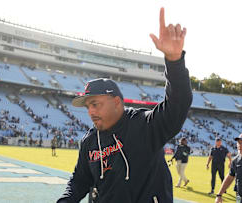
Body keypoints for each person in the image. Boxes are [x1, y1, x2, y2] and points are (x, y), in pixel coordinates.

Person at [57, 7, 192, 203]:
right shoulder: (90, 141)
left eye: (96, 104)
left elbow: (178, 103)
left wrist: (174, 61)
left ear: (117, 102)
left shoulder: (145, 126)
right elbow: (79, 181)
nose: (91, 111)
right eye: (88, 106)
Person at [215, 133, 242, 203]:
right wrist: (219, 195)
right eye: (238, 143)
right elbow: (230, 176)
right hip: (239, 199)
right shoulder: (235, 161)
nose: (239, 145)